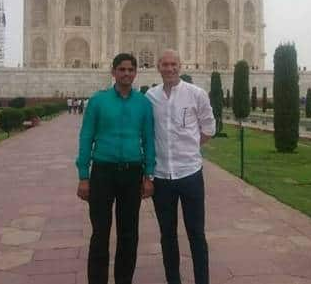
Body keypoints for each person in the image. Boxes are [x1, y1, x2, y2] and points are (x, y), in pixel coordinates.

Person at [75, 53, 156, 284]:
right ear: (113, 72)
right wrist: (83, 175)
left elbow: (149, 139)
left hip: (132, 173)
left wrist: (148, 175)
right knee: (100, 233)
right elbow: (86, 137)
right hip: (103, 171)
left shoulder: (143, 103)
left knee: (128, 233)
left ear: (136, 73)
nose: (126, 74)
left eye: (131, 70)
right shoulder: (98, 101)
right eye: (122, 69)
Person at [146, 49, 215, 284]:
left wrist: (189, 149)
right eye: (165, 64)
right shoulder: (150, 97)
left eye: (173, 64)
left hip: (190, 175)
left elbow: (208, 129)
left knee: (196, 233)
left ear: (180, 66)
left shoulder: (196, 94)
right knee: (167, 235)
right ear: (158, 67)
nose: (170, 68)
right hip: (162, 176)